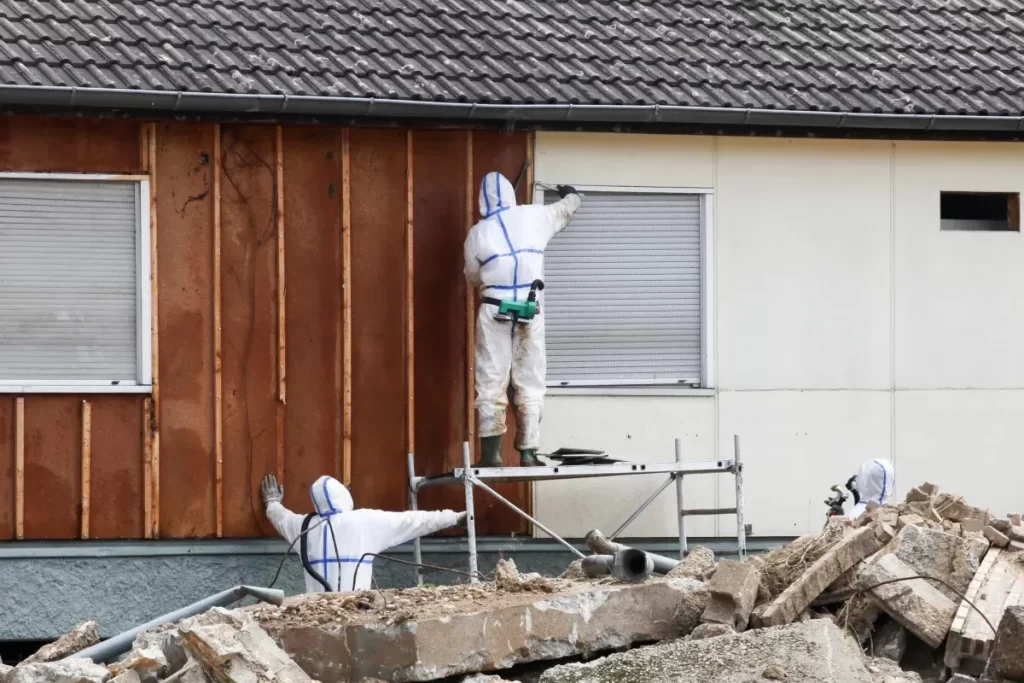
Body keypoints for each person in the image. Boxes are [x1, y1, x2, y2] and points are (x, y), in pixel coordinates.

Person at [464, 172, 581, 467]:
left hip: (494, 309)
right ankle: (528, 452)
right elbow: (569, 206)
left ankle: (491, 456)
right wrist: (570, 191)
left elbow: (471, 275)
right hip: (531, 309)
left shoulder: (479, 232)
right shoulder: (535, 216)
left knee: (491, 381)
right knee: (530, 380)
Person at [261, 474, 466, 593]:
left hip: (316, 614)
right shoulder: (364, 521)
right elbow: (413, 521)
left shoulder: (303, 525)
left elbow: (280, 517)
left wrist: (272, 501)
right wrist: (454, 517)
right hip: (357, 611)